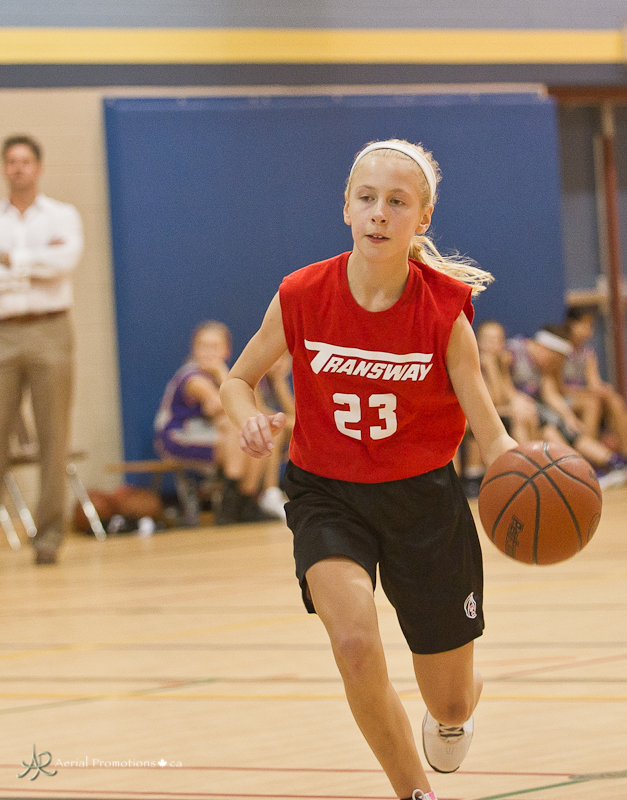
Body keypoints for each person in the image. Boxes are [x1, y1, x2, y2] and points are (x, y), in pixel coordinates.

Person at [220, 139, 518, 800]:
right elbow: (237, 379)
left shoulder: (443, 311)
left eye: (396, 201)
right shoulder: (301, 294)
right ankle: (414, 793)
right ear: (346, 208)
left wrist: (525, 472)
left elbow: (490, 430)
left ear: (423, 217)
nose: (379, 212)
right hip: (327, 493)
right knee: (354, 643)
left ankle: (455, 710)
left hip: (423, 502)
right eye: (366, 198)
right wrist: (247, 416)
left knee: (447, 701)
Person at [0, 134, 84, 565]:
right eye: (11, 161)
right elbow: (48, 264)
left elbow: (64, 262)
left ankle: (49, 535)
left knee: (54, 435)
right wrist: (37, 260)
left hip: (51, 328)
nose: (18, 168)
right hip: (3, 330)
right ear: (4, 168)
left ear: (39, 167)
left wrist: (11, 260)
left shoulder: (62, 215)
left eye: (25, 161)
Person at [154, 320, 274, 524]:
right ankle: (230, 501)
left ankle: (246, 499)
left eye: (215, 346)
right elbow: (226, 404)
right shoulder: (192, 376)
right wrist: (221, 373)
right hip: (177, 437)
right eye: (203, 346)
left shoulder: (226, 375)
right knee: (238, 430)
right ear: (194, 349)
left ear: (227, 350)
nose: (209, 352)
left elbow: (254, 408)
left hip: (209, 434)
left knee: (257, 428)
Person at [507, 324, 627, 486]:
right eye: (553, 360)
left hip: (540, 409)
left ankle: (612, 461)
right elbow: (502, 386)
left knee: (569, 428)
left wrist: (569, 417)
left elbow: (550, 394)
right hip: (518, 409)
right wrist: (515, 398)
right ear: (544, 347)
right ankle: (582, 469)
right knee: (549, 429)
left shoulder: (545, 366)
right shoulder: (513, 352)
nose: (553, 365)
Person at [564, 307, 627, 456]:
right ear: (572, 324)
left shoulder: (587, 353)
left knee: (614, 399)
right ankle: (588, 456)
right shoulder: (560, 349)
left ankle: (625, 451)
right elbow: (558, 388)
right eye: (584, 324)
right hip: (566, 398)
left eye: (590, 325)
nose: (588, 330)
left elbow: (594, 382)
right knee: (592, 403)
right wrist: (590, 391)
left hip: (583, 394)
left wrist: (604, 390)